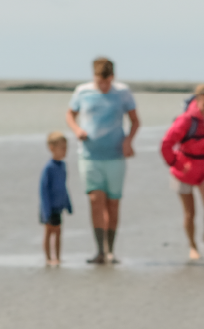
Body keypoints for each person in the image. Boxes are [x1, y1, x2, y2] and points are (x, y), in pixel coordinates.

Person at [65, 56, 139, 264]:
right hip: (89, 155)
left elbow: (135, 121)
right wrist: (77, 129)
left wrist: (128, 141)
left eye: (107, 81)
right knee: (95, 200)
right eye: (100, 81)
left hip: (115, 156)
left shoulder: (123, 93)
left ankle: (111, 251)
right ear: (94, 77)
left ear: (113, 77)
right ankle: (99, 251)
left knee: (112, 203)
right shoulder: (83, 92)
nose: (104, 86)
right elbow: (70, 114)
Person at [160, 84, 204, 259]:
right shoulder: (185, 120)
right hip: (183, 170)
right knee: (190, 213)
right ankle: (192, 246)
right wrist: (176, 163)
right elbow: (166, 144)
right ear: (197, 102)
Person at [39, 132, 74, 266]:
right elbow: (43, 190)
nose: (65, 151)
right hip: (48, 207)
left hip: (59, 206)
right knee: (49, 232)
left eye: (66, 148)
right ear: (52, 148)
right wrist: (46, 210)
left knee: (58, 232)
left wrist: (68, 204)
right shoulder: (49, 168)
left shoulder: (63, 166)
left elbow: (63, 186)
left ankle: (58, 257)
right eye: (62, 148)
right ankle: (48, 258)